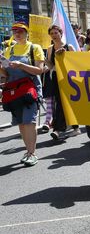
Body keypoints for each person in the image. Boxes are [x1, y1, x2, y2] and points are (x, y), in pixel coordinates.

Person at [0, 22, 45, 166]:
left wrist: (21, 65)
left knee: (29, 121)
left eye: (20, 31)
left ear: (27, 33)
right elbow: (5, 74)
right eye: (14, 31)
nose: (17, 34)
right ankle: (28, 151)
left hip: (29, 90)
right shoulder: (9, 50)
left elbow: (39, 70)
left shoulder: (34, 48)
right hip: (13, 90)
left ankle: (32, 153)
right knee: (20, 122)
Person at [45, 25, 79, 141]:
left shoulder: (68, 46)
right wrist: (46, 61)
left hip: (69, 77)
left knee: (70, 101)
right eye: (52, 33)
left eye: (56, 32)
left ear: (60, 33)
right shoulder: (50, 48)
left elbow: (76, 62)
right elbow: (50, 65)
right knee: (59, 102)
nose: (54, 35)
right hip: (56, 77)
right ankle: (58, 129)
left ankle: (74, 126)